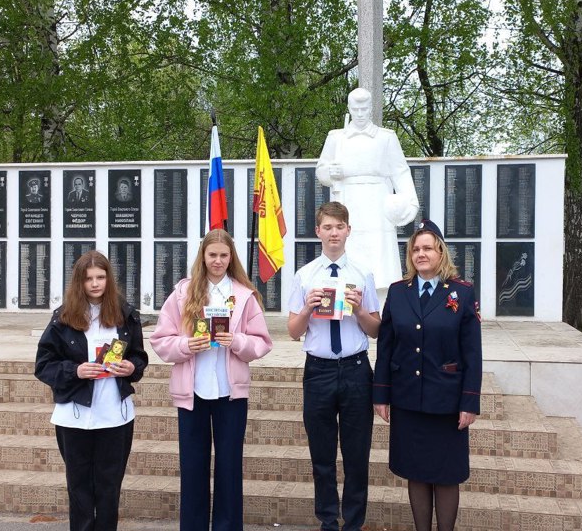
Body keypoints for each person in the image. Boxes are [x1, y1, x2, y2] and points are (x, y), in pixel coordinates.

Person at [150, 229, 273, 531]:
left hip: (230, 395)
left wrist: (237, 341)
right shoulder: (183, 293)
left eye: (223, 255)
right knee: (193, 468)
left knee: (229, 467)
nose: (217, 261)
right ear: (203, 257)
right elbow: (160, 338)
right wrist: (184, 345)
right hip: (192, 394)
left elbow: (262, 342)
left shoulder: (244, 296)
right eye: (212, 255)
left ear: (231, 258)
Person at [372, 220, 482, 531]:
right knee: (416, 472)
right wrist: (381, 393)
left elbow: (472, 354)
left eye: (427, 248)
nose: (421, 254)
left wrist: (470, 402)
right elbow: (387, 346)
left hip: (446, 401)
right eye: (416, 249)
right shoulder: (398, 292)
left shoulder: (462, 292)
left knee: (446, 475)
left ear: (440, 252)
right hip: (408, 399)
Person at [34, 250, 148, 531]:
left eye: (100, 277)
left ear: (109, 279)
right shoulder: (63, 318)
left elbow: (139, 357)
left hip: (115, 416)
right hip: (75, 416)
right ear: (79, 282)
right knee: (80, 488)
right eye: (88, 279)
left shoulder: (126, 315)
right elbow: (43, 365)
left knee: (109, 487)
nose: (95, 284)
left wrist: (131, 368)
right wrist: (76, 371)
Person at [287, 201, 381, 531]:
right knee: (322, 456)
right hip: (319, 371)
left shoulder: (362, 273)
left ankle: (353, 523)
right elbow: (294, 332)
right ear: (318, 232)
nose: (333, 233)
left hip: (355, 369)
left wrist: (359, 311)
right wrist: (307, 310)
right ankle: (328, 520)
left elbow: (376, 330)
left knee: (357, 456)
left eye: (339, 227)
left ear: (348, 230)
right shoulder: (305, 276)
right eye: (327, 227)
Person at [316, 88, 419, 290]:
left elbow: (400, 172)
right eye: (356, 109)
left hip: (377, 203)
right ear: (349, 109)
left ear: (370, 109)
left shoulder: (386, 137)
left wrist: (409, 203)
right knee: (349, 253)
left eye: (364, 109)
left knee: (380, 264)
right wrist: (332, 172)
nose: (360, 114)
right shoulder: (336, 138)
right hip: (347, 201)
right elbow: (321, 172)